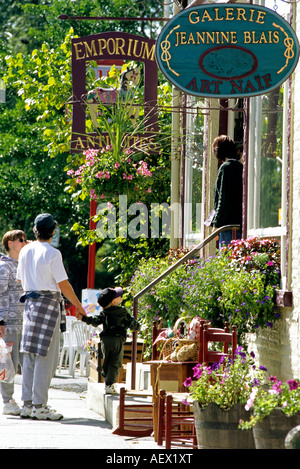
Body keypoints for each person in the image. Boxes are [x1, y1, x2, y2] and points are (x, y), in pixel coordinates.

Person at [16, 213, 86, 420]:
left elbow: (21, 279)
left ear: (35, 230)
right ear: (53, 231)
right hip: (48, 304)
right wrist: (79, 307)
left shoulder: (25, 250)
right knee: (46, 356)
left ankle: (27, 404)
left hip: (29, 304)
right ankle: (40, 406)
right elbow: (63, 284)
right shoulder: (53, 253)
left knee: (29, 355)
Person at [79, 287, 140, 394]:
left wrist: (84, 318)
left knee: (107, 360)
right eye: (119, 296)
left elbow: (95, 320)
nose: (121, 297)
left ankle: (107, 381)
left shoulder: (105, 313)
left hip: (106, 340)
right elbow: (132, 323)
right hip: (118, 339)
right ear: (114, 301)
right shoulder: (122, 312)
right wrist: (137, 327)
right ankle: (110, 384)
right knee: (115, 362)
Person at [0, 230, 27, 415]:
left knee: (18, 362)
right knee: (7, 362)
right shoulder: (4, 267)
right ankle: (7, 401)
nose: (25, 242)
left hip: (24, 322)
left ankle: (22, 400)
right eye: (21, 240)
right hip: (8, 323)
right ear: (10, 243)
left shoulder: (23, 265)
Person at [211, 135, 243, 247]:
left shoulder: (226, 168)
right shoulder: (241, 168)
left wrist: (216, 224)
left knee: (227, 259)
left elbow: (224, 200)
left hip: (228, 228)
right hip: (239, 226)